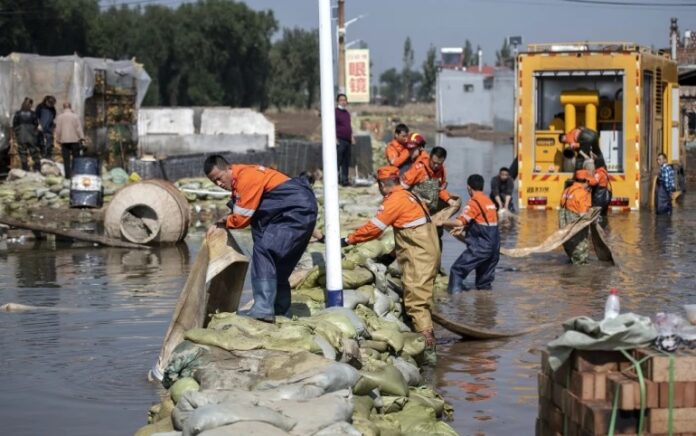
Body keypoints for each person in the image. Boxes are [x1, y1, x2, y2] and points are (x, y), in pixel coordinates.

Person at [205, 155, 318, 322]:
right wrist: (226, 219)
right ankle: (280, 311)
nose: (219, 184)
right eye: (214, 182)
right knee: (278, 266)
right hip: (298, 212)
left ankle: (263, 308)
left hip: (294, 213)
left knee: (263, 250)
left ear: (229, 168)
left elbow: (241, 219)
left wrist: (226, 222)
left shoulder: (246, 177)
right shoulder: (243, 181)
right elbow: (252, 212)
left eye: (219, 178)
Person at [343, 165, 440, 355]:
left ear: (381, 184)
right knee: (422, 297)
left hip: (419, 257)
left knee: (416, 301)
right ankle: (427, 334)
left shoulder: (394, 200)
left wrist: (347, 240)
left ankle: (428, 351)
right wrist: (392, 255)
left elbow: (375, 229)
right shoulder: (409, 195)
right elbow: (410, 233)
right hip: (428, 252)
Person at [441, 174, 500, 292]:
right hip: (494, 248)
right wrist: (466, 227)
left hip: (481, 247)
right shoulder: (489, 202)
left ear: (469, 187)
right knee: (484, 284)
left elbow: (458, 222)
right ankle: (485, 307)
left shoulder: (474, 202)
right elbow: (485, 222)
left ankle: (454, 305)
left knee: (457, 271)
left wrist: (440, 221)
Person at [400, 134, 457, 212]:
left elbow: (440, 189)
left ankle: (435, 218)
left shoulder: (442, 170)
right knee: (431, 186)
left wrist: (449, 200)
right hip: (415, 203)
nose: (436, 166)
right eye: (434, 163)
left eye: (439, 164)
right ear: (430, 157)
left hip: (429, 202)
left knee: (456, 200)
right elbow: (402, 187)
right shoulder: (419, 168)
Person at [559, 168, 593, 264]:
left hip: (565, 225)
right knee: (580, 253)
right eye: (588, 181)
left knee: (571, 248)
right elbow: (583, 215)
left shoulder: (566, 190)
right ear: (586, 181)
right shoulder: (582, 193)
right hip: (576, 225)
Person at [54, 102, 85, 179]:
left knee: (66, 159)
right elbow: (79, 129)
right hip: (74, 140)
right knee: (76, 158)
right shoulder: (75, 116)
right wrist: (82, 138)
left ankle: (67, 176)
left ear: (63, 107)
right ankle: (76, 174)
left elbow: (58, 130)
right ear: (70, 107)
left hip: (64, 141)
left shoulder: (60, 117)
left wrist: (57, 139)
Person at [12, 98, 41, 172]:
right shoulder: (33, 113)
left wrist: (17, 132)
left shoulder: (18, 113)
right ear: (30, 104)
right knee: (34, 151)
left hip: (21, 135)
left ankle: (25, 168)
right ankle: (37, 167)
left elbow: (14, 124)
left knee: (22, 151)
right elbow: (36, 124)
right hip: (31, 135)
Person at [335, 93, 353, 186]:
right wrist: (335, 138)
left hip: (347, 140)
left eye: (344, 100)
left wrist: (352, 137)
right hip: (339, 139)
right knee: (338, 160)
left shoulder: (347, 113)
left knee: (346, 161)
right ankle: (336, 179)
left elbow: (348, 126)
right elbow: (332, 126)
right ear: (338, 101)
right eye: (341, 100)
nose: (343, 102)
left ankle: (345, 180)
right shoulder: (335, 112)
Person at [592, 157, 612, 227]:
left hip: (599, 197)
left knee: (596, 215)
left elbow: (593, 182)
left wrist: (588, 180)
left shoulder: (599, 173)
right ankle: (606, 230)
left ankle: (599, 229)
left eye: (594, 164)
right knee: (603, 215)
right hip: (605, 198)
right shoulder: (605, 172)